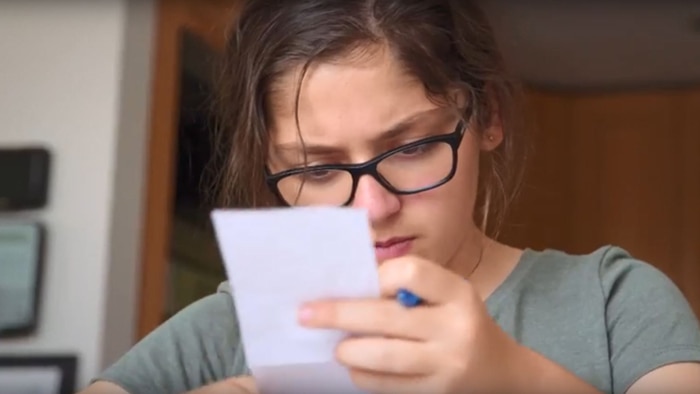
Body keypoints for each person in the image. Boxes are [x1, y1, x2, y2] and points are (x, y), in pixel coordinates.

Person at [81, 0, 700, 393]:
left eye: (408, 149)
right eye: (316, 170)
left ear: (489, 119)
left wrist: (517, 382)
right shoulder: (227, 328)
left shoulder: (616, 303)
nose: (371, 210)